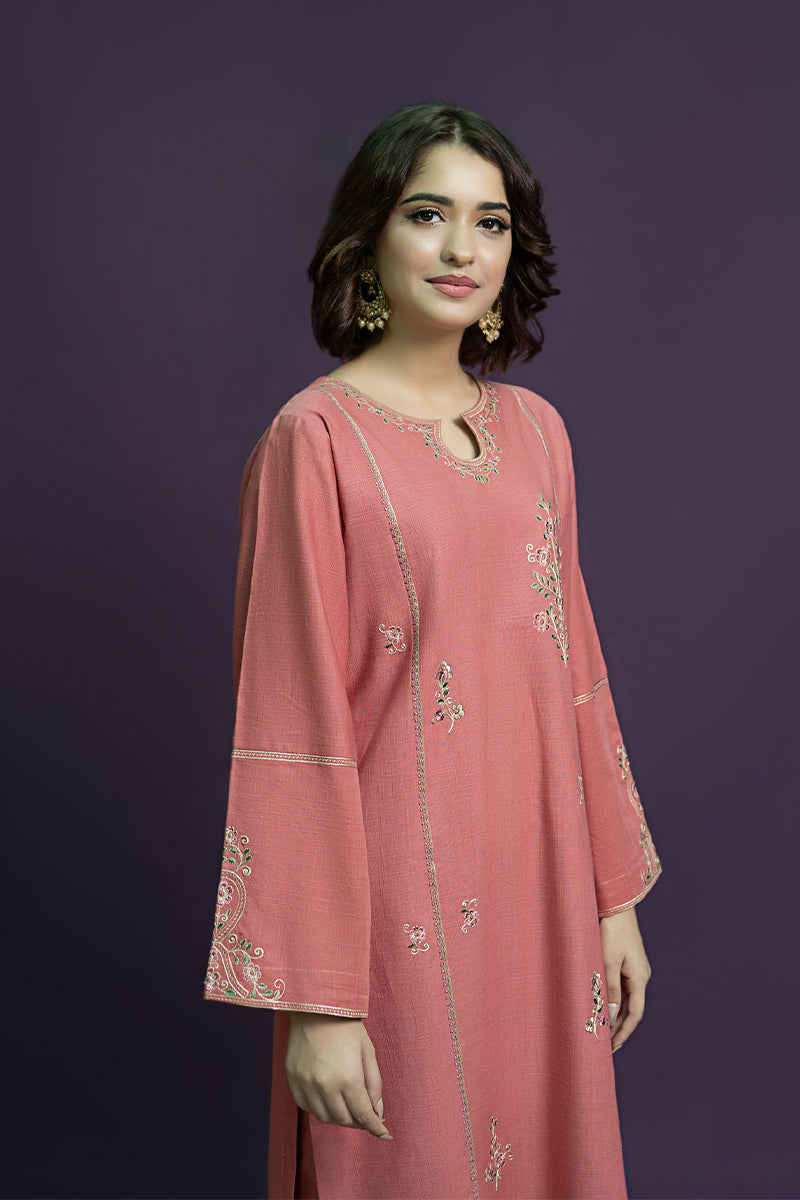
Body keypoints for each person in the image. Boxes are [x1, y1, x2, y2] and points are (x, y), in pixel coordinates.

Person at [202, 101, 663, 1200]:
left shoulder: (538, 434)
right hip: (394, 918)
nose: (462, 249)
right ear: (367, 242)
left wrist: (613, 900)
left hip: (542, 893)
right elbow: (291, 725)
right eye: (427, 215)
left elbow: (576, 677)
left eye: (489, 222)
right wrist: (319, 1000)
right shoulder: (314, 441)